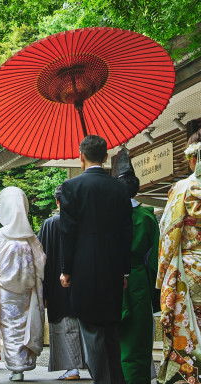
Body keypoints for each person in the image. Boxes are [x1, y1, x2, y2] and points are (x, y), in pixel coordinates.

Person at [60, 135, 133, 384]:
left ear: (81, 157)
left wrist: (65, 269)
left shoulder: (72, 187)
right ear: (105, 158)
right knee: (111, 330)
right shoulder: (120, 188)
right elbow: (126, 232)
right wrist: (125, 271)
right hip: (113, 268)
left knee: (91, 330)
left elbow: (68, 232)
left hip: (84, 269)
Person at [0, 187, 45, 382]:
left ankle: (16, 367)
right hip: (27, 290)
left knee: (10, 327)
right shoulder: (30, 237)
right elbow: (41, 262)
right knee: (25, 324)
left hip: (5, 291)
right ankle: (24, 364)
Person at [157, 129, 201, 384]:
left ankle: (191, 376)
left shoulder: (183, 188)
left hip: (191, 268)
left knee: (188, 327)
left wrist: (163, 273)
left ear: (193, 157)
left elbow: (169, 233)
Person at [37, 185, 86, 381]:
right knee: (80, 325)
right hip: (81, 283)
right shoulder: (81, 222)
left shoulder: (48, 225)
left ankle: (71, 368)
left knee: (63, 326)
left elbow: (41, 260)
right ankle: (86, 365)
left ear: (57, 202)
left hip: (55, 285)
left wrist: (43, 291)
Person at [117, 164, 159, 384]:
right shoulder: (147, 217)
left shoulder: (108, 217)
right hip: (140, 280)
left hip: (112, 280)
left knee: (115, 338)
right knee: (139, 338)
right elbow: (154, 259)